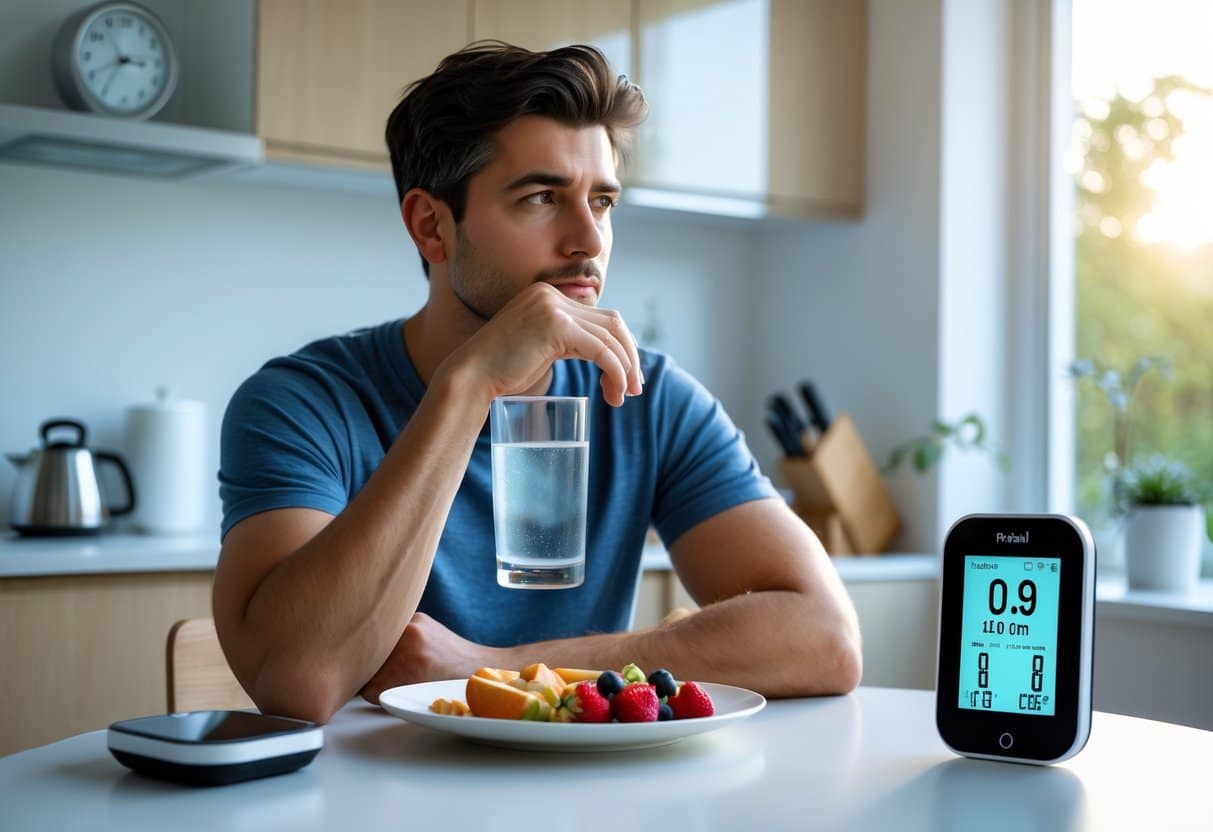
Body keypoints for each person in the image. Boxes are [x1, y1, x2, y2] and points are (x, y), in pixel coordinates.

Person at [213, 42, 861, 724]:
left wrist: (492, 666)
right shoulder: (301, 403)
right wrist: (467, 390)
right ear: (431, 226)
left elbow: (826, 641)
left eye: (602, 201)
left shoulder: (649, 397)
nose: (588, 239)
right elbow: (295, 684)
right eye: (542, 198)